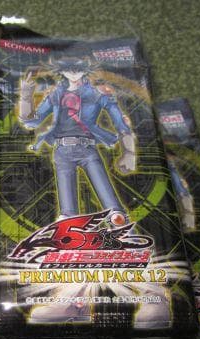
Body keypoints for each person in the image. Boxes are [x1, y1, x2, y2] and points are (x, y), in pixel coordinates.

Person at [18, 57, 136, 227]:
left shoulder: (97, 94)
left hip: (87, 149)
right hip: (62, 151)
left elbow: (120, 124)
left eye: (78, 68)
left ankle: (122, 230)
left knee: (112, 207)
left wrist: (129, 153)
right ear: (62, 71)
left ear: (85, 70)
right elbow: (31, 122)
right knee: (67, 213)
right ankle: (70, 233)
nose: (73, 72)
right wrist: (26, 96)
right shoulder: (55, 94)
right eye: (69, 69)